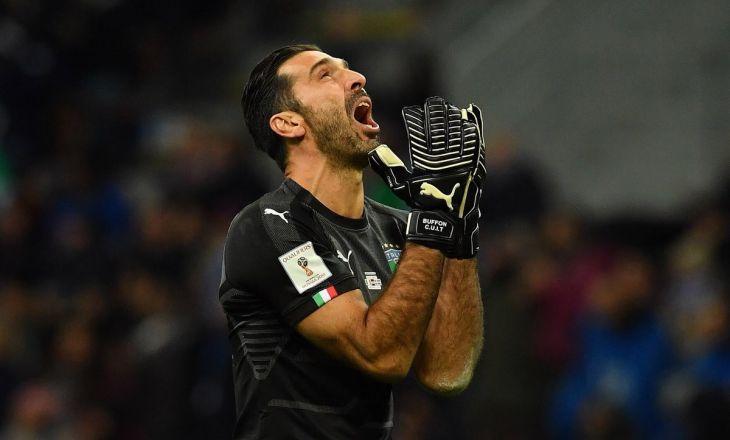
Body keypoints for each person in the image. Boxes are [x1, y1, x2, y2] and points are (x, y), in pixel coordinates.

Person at [219, 43, 485, 439]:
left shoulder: (401, 229)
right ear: (289, 123)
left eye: (348, 68)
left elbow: (448, 372)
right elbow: (380, 355)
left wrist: (458, 226)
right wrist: (431, 220)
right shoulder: (268, 225)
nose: (358, 78)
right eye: (326, 74)